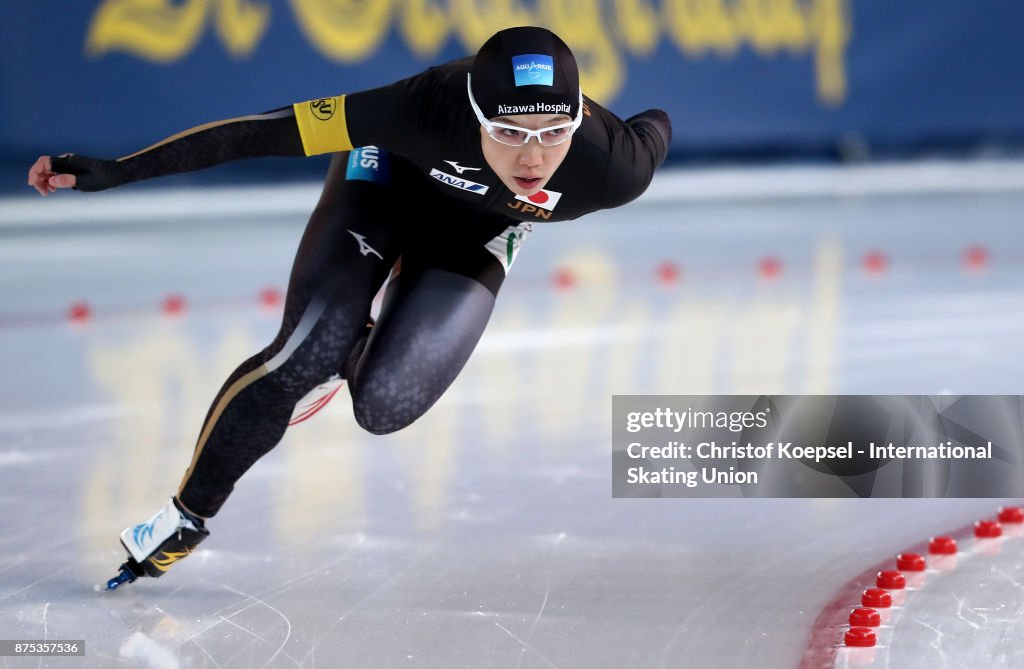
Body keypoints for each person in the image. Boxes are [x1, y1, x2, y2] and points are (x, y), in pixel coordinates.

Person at [28, 26, 671, 589]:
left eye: (553, 132)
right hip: (383, 184)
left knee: (384, 406)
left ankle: (353, 352)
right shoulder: (418, 108)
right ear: (476, 115)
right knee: (305, 348)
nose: (533, 157)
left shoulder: (611, 168)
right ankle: (186, 517)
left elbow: (656, 125)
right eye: (508, 132)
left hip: (476, 232)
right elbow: (262, 134)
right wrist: (117, 171)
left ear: (579, 122)